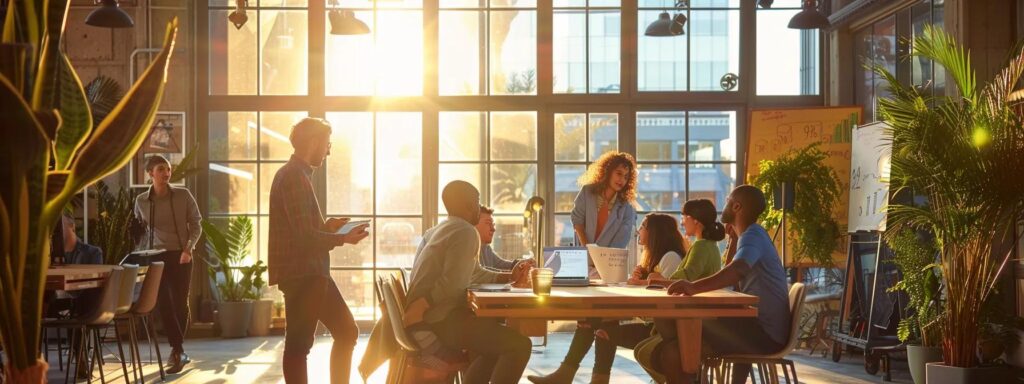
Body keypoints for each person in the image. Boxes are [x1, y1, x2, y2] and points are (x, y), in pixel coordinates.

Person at [268, 117, 370, 384]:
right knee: (299, 346)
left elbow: (301, 231)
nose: (328, 150)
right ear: (313, 142)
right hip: (304, 274)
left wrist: (328, 227)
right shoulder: (293, 178)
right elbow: (303, 237)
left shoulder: (297, 175)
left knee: (345, 332)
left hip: (311, 272)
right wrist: (342, 239)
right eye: (326, 143)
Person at [653, 186, 790, 384]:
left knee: (672, 346)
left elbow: (738, 270)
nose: (723, 205)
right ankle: (693, 358)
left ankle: (692, 359)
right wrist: (733, 239)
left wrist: (693, 287)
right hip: (760, 329)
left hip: (763, 334)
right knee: (679, 340)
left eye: (727, 200)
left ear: (736, 206)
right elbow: (734, 277)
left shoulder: (752, 235)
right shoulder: (752, 235)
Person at [404, 181, 532, 384]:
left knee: (492, 347)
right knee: (520, 345)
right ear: (467, 205)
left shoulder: (443, 228)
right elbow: (452, 285)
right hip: (440, 320)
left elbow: (473, 273)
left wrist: (509, 277)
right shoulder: (466, 231)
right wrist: (424, 304)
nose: (478, 206)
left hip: (431, 317)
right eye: (476, 201)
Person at [528, 151, 638, 384]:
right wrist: (586, 245)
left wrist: (598, 257)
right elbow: (576, 218)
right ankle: (591, 377)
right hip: (582, 262)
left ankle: (568, 374)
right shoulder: (588, 193)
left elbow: (620, 242)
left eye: (626, 176)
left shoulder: (626, 208)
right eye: (618, 173)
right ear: (607, 172)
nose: (621, 179)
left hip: (607, 267)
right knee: (598, 318)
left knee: (597, 319)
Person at [633, 199, 726, 382]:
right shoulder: (708, 246)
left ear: (694, 220)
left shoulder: (701, 246)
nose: (682, 222)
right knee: (644, 350)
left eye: (684, 218)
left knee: (647, 352)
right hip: (699, 316)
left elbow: (686, 278)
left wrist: (658, 279)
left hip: (695, 320)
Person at [133, 154, 202, 374]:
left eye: (168, 169)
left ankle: (177, 349)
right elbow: (139, 230)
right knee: (164, 302)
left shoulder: (183, 194)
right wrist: (140, 254)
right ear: (150, 173)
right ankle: (178, 349)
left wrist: (188, 249)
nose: (166, 173)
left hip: (181, 255)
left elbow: (196, 223)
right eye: (161, 169)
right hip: (156, 257)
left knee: (181, 302)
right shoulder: (141, 201)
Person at [474, 206, 534, 274]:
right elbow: (481, 274)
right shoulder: (468, 248)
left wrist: (522, 263)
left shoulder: (486, 247)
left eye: (493, 224)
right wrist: (513, 275)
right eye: (488, 223)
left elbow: (500, 264)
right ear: (474, 225)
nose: (493, 229)